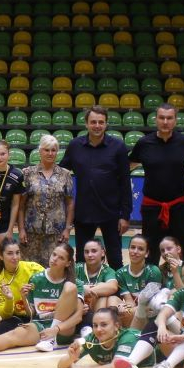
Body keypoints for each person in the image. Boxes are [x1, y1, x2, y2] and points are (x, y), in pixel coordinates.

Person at [0, 241, 81, 357]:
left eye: (61, 258)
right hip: (39, 324)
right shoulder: (36, 279)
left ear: (68, 263)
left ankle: (51, 339)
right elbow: (31, 314)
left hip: (62, 329)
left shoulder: (75, 284)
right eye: (54, 254)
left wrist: (55, 329)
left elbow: (78, 316)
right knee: (14, 334)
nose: (54, 259)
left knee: (70, 287)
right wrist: (23, 297)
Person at [58, 106, 130, 268]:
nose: (97, 126)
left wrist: (125, 215)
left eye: (101, 122)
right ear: (86, 124)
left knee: (115, 258)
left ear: (106, 124)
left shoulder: (118, 147)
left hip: (111, 211)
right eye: (93, 122)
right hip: (84, 211)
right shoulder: (75, 145)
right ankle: (82, 285)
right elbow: (61, 172)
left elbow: (125, 182)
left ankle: (115, 285)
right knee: (82, 258)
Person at [130, 103, 184, 257]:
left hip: (179, 206)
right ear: (156, 119)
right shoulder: (144, 143)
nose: (165, 122)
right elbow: (128, 165)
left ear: (175, 120)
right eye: (162, 118)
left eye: (169, 118)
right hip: (152, 207)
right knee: (151, 251)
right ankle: (152, 274)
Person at [18, 134, 74, 267]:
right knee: (29, 268)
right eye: (46, 150)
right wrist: (21, 229)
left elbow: (70, 204)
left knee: (55, 267)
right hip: (31, 232)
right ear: (40, 151)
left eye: (53, 150)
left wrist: (67, 229)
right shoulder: (27, 173)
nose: (50, 153)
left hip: (57, 233)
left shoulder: (65, 174)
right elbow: (21, 205)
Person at [58, 307, 152, 368]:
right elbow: (61, 366)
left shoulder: (128, 337)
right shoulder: (91, 339)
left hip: (153, 365)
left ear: (116, 326)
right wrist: (70, 358)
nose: (98, 329)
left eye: (104, 325)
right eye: (95, 325)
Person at [115, 234, 164, 330]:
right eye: (133, 247)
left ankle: (128, 332)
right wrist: (121, 308)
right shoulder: (120, 273)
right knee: (112, 301)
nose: (135, 252)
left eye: (140, 249)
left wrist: (127, 310)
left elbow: (147, 304)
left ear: (146, 253)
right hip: (133, 309)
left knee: (131, 312)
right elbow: (129, 301)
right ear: (128, 249)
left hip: (148, 311)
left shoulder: (153, 272)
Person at [75, 239, 120, 323]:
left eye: (94, 251)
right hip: (77, 308)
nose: (90, 255)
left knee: (103, 297)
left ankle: (98, 325)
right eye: (86, 252)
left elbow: (113, 287)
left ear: (102, 252)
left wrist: (84, 290)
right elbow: (64, 285)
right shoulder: (76, 268)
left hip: (94, 308)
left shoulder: (108, 271)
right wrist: (85, 289)